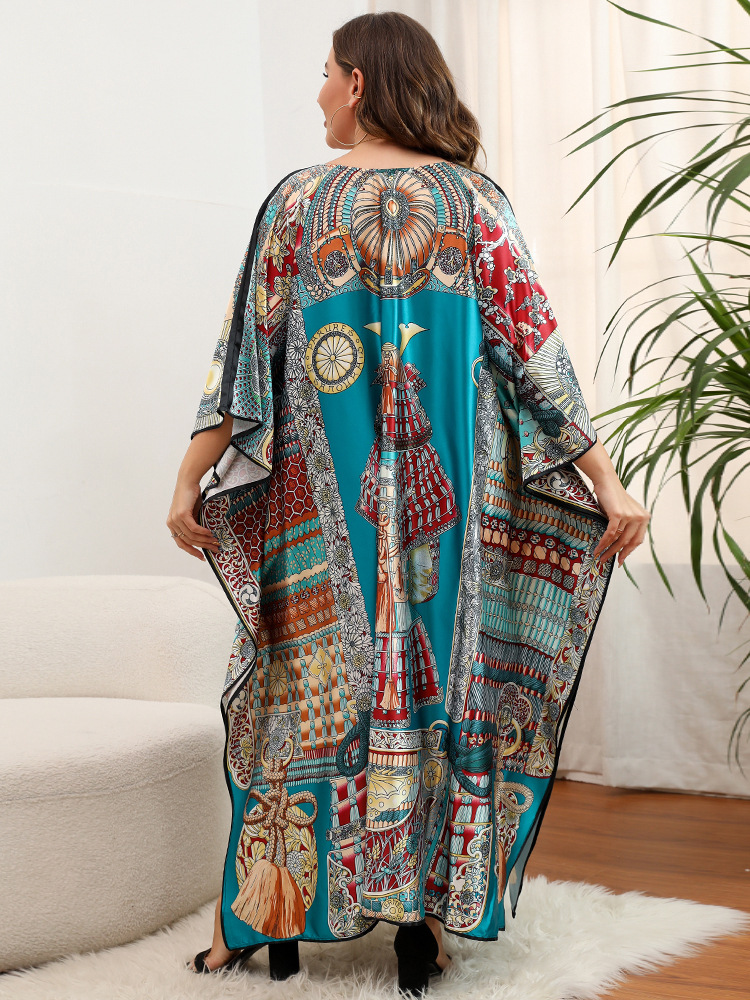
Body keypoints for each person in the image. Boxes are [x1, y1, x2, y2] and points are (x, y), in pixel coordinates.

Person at [167, 11, 649, 996]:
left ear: (358, 82)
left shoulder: (297, 203)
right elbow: (536, 352)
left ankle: (255, 920)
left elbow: (245, 357)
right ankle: (423, 924)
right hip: (450, 508)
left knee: (298, 692)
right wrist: (605, 481)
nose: (316, 92)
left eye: (325, 73)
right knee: (442, 689)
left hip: (319, 511)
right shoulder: (474, 203)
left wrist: (190, 476)